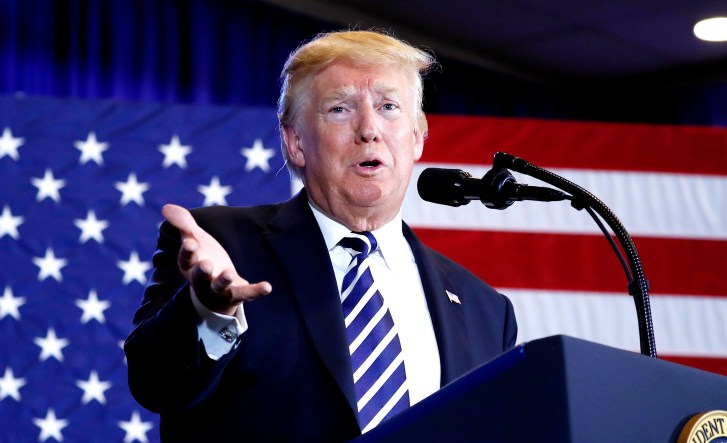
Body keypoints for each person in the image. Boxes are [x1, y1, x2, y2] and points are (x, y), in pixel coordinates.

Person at [125, 30, 517, 442]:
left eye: (388, 107)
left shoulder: (485, 311)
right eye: (340, 109)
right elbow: (157, 385)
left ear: (417, 138)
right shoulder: (223, 246)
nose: (369, 129)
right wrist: (210, 311)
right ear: (295, 143)